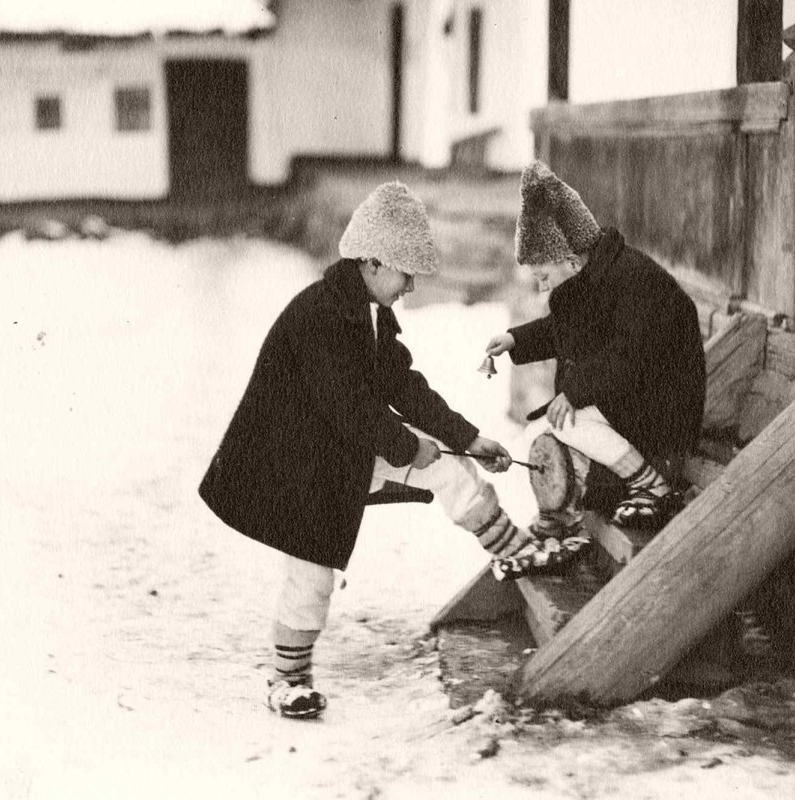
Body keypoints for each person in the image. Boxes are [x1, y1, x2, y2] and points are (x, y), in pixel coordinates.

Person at [199, 182, 554, 720]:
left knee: (449, 466)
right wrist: (408, 447)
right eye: (406, 272)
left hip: (341, 448)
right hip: (295, 464)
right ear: (371, 262)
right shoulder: (319, 315)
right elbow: (346, 404)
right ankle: (287, 679)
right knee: (312, 575)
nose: (411, 284)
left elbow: (400, 385)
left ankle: (514, 550)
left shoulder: (367, 309)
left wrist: (465, 438)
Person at [486, 161, 706, 534]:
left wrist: (574, 393)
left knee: (567, 423)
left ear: (571, 261)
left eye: (544, 276)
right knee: (546, 427)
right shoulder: (593, 278)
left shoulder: (635, 282)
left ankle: (651, 485)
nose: (542, 287)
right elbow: (564, 329)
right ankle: (569, 509)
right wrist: (516, 340)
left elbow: (628, 356)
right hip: (633, 395)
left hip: (666, 406)